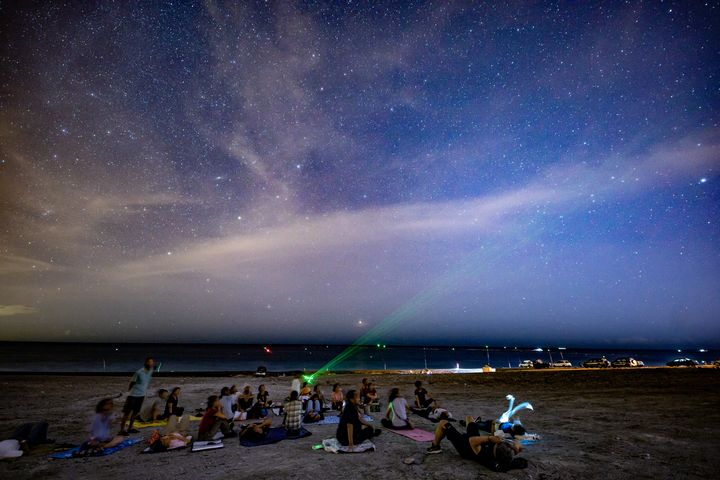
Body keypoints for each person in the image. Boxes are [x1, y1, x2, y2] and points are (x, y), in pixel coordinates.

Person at [425, 418, 524, 472]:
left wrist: (490, 438)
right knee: (469, 418)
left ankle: (435, 446)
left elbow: (472, 440)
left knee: (443, 423)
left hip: (467, 447)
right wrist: (514, 446)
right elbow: (519, 447)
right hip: (479, 442)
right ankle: (472, 423)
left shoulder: (485, 456)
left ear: (496, 448)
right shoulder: (505, 456)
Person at [119, 357, 154, 435]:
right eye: (149, 362)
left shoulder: (151, 371)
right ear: (145, 362)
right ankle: (121, 430)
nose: (150, 364)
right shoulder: (139, 372)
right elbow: (132, 382)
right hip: (133, 395)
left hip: (141, 395)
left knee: (135, 413)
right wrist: (128, 392)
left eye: (152, 362)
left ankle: (130, 428)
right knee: (127, 413)